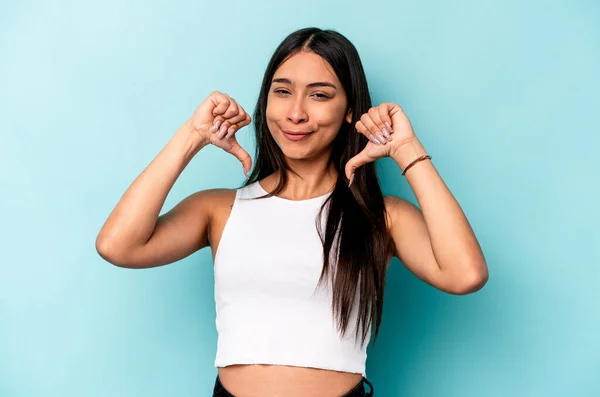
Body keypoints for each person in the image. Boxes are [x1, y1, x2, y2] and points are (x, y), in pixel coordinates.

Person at [96, 27, 489, 397]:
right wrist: (191, 136)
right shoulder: (219, 209)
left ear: (351, 109)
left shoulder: (382, 216)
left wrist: (405, 148)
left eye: (319, 95)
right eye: (282, 92)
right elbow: (118, 246)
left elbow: (465, 274)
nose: (295, 113)